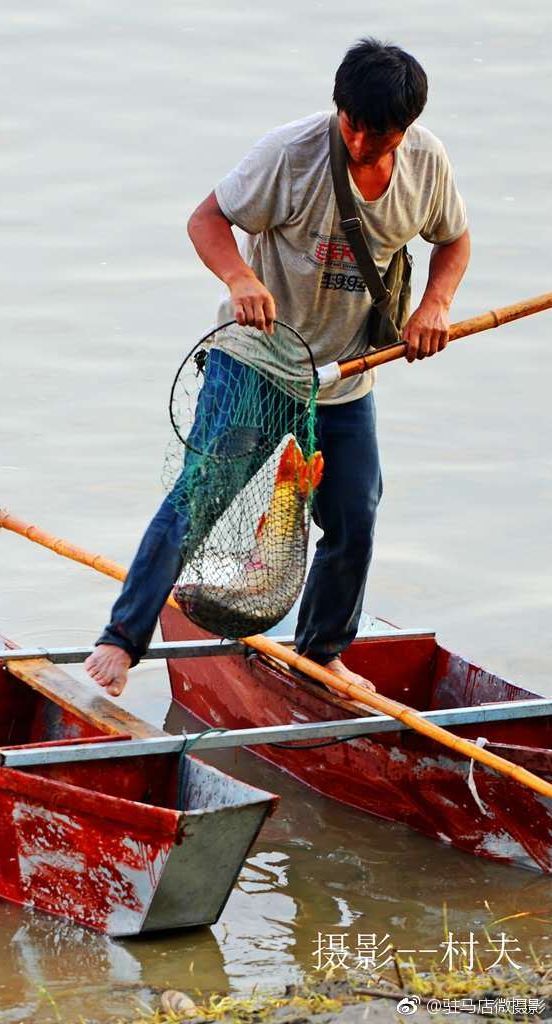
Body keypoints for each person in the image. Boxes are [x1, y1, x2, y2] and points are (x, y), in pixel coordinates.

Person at [85, 37, 470, 697]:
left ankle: (321, 652)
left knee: (355, 515)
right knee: (199, 498)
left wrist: (435, 306)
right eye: (348, 124)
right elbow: (206, 219)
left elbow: (454, 239)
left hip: (345, 375)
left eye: (374, 136)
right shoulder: (288, 156)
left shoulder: (427, 165)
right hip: (256, 362)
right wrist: (238, 279)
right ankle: (121, 641)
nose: (356, 142)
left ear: (401, 133)